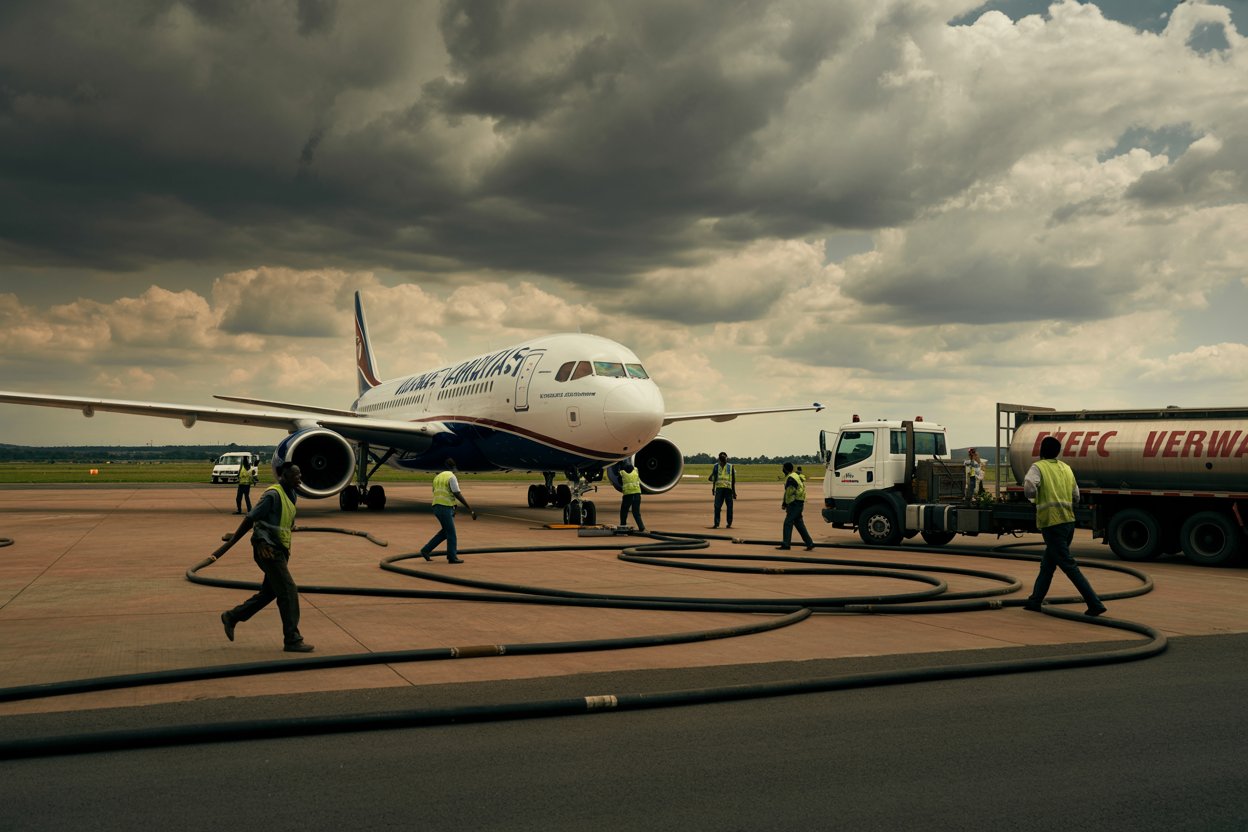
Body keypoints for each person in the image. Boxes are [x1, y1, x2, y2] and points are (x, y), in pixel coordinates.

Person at [213, 462, 314, 652]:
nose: (299, 478)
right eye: (295, 475)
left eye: (300, 474)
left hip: (281, 550)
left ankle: (232, 616)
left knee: (269, 592)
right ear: (283, 476)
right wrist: (238, 540)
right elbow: (252, 519)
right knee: (288, 591)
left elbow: (282, 519)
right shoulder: (272, 495)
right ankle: (292, 639)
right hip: (267, 550)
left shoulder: (291, 494)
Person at [1023, 436, 1107, 616]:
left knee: (1069, 566)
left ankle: (1095, 603)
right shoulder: (1066, 468)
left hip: (1052, 523)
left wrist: (1032, 498)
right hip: (1068, 522)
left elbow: (1029, 485)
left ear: (1041, 452)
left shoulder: (1038, 467)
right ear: (1057, 452)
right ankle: (1035, 600)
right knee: (1048, 564)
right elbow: (1076, 495)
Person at [420, 458, 477, 564]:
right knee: (451, 534)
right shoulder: (451, 476)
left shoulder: (437, 477)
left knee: (444, 533)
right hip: (444, 507)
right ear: (453, 467)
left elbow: (439, 492)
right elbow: (456, 493)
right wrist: (469, 508)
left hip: (437, 507)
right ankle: (452, 557)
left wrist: (453, 507)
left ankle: (425, 550)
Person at [777, 461, 815, 551]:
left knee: (788, 522)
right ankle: (809, 543)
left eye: (783, 468)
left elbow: (789, 493)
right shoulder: (795, 476)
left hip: (794, 503)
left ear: (785, 469)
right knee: (799, 523)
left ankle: (786, 544)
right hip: (798, 502)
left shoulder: (790, 478)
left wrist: (786, 504)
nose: (782, 470)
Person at [710, 451, 737, 529]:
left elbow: (733, 480)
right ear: (719, 458)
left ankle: (729, 523)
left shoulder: (730, 466)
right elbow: (714, 478)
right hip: (719, 489)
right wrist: (713, 488)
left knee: (729, 507)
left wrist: (734, 492)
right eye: (722, 457)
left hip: (728, 489)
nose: (724, 458)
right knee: (717, 507)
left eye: (724, 457)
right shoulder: (716, 466)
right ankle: (716, 523)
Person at [618, 462, 645, 532]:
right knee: (636, 512)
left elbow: (619, 482)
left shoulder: (622, 473)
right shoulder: (635, 471)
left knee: (624, 511)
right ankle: (641, 527)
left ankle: (623, 526)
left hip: (628, 495)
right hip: (637, 494)